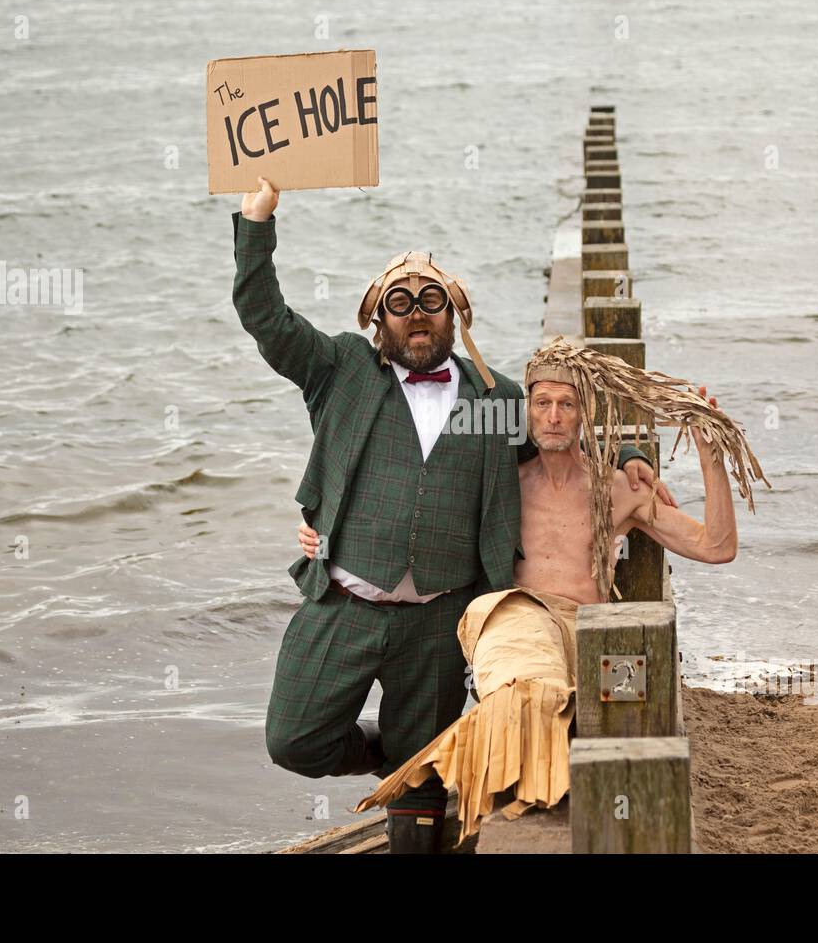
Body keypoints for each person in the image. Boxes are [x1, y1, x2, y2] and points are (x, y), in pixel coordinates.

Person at [230, 180, 666, 853]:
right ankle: (386, 755)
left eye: (431, 301)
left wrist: (632, 451)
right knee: (294, 739)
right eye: (400, 303)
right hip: (343, 602)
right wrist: (257, 219)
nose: (417, 314)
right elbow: (266, 317)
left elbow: (562, 436)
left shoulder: (494, 399)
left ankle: (425, 795)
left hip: (439, 620)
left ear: (454, 314)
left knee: (425, 781)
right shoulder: (340, 371)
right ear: (379, 318)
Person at [298, 341, 767, 844]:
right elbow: (408, 498)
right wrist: (325, 534)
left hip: (591, 630)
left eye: (568, 404)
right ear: (524, 411)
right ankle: (468, 767)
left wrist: (710, 459)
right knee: (527, 690)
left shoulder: (618, 488)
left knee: (620, 715)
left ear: (585, 412)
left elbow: (716, 547)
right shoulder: (503, 482)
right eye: (541, 403)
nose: (554, 416)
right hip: (518, 618)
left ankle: (466, 762)